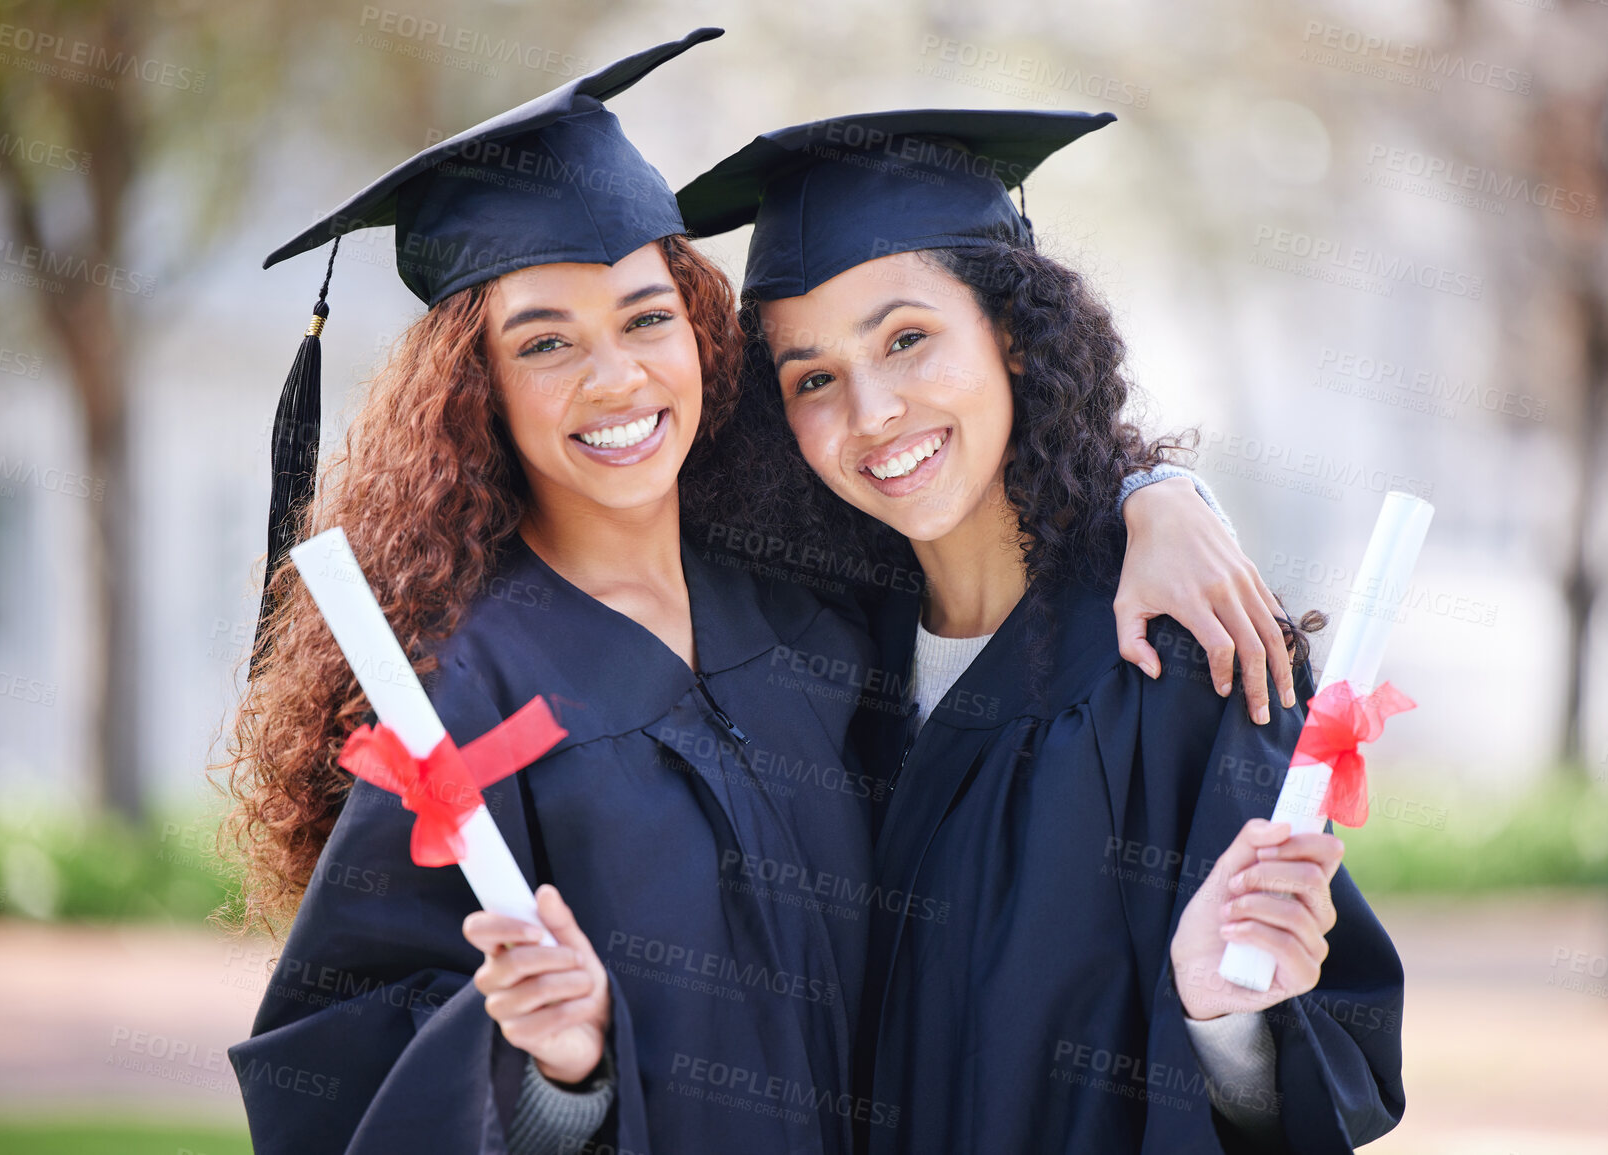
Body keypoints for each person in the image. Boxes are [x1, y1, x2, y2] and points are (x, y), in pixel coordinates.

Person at [222, 32, 1299, 1152]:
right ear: (470, 390)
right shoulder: (463, 700)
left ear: (699, 332)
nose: (616, 376)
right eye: (544, 342)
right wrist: (551, 1076)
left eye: (647, 317)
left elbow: (983, 521)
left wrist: (1156, 489)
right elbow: (341, 1081)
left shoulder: (818, 609)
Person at [677, 108, 1406, 1154]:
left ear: (1013, 331)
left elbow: (1324, 1082)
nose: (872, 409)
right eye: (813, 378)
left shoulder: (1176, 657)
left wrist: (1228, 1018)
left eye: (910, 338)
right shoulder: (814, 662)